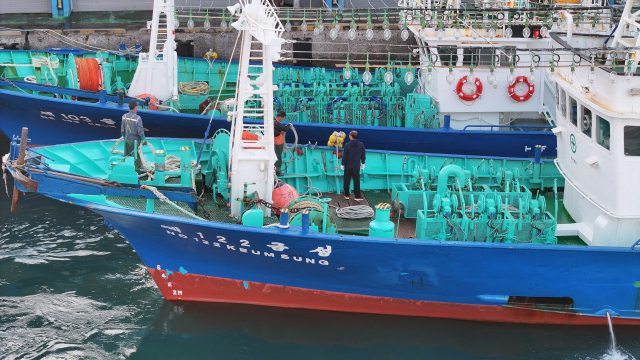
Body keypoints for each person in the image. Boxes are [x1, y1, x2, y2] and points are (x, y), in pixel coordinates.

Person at [121, 101, 146, 173]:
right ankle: (137, 170)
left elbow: (122, 130)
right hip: (135, 140)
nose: (137, 108)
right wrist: (143, 139)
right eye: (137, 106)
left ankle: (127, 168)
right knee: (136, 155)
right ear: (135, 108)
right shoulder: (138, 118)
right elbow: (140, 130)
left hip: (127, 138)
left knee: (127, 154)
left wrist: (124, 136)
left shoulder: (124, 116)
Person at [341, 130, 366, 201]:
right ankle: (357, 196)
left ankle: (346, 195)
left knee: (346, 181)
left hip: (348, 166)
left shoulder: (347, 145)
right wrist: (363, 163)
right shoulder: (361, 145)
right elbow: (363, 155)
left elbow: (344, 156)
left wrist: (343, 164)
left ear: (351, 137)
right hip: (356, 166)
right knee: (356, 182)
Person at [273, 110, 291, 176]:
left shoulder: (273, 121)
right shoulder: (276, 123)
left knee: (277, 157)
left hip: (276, 142)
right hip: (277, 143)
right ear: (280, 117)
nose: (282, 120)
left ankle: (275, 170)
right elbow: (285, 129)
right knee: (278, 158)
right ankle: (277, 172)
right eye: (283, 118)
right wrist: (289, 125)